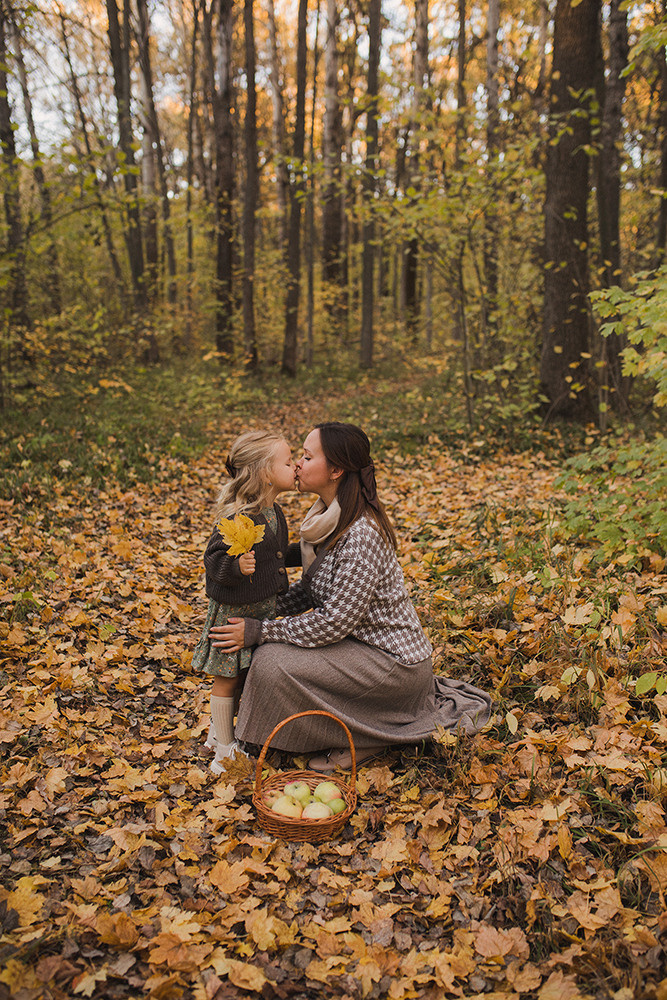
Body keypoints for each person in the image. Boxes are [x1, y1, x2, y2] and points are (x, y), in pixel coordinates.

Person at [209, 422, 492, 772]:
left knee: (270, 661)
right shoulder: (325, 521)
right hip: (356, 649)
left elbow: (333, 622)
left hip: (393, 666)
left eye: (307, 456)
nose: (297, 464)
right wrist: (254, 611)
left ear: (336, 470)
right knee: (267, 655)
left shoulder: (361, 534)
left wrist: (260, 629)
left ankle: (372, 735)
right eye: (298, 456)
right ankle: (329, 730)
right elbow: (310, 594)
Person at [192, 429, 297, 774]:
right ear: (265, 472)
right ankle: (224, 749)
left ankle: (218, 730)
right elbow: (213, 561)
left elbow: (275, 556)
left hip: (260, 611)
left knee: (245, 674)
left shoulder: (274, 512)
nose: (295, 465)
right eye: (287, 460)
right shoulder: (239, 517)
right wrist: (235, 567)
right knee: (227, 678)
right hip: (235, 615)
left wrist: (308, 554)